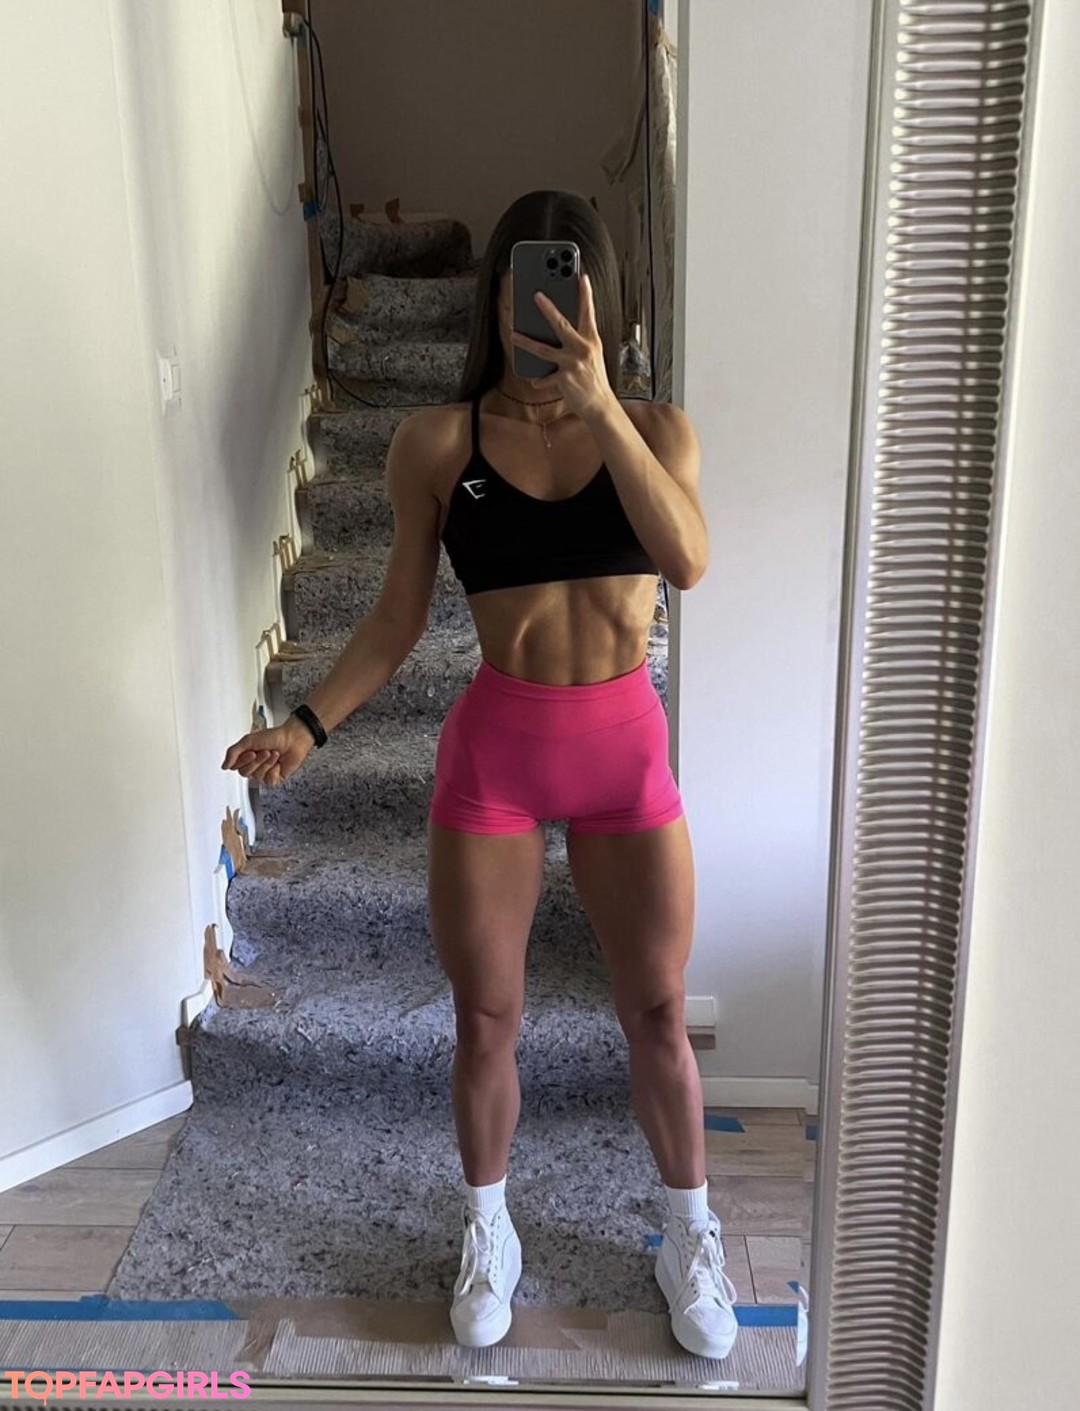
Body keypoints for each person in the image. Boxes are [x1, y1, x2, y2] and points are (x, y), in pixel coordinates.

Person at [221, 190, 737, 1360]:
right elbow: (395, 617)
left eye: (565, 291)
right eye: (524, 289)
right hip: (497, 756)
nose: (541, 314)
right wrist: (308, 724)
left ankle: (687, 1234)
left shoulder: (657, 431)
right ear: (497, 299)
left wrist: (598, 403)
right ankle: (488, 1226)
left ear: (599, 300)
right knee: (487, 1013)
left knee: (657, 1008)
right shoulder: (438, 444)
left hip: (624, 758)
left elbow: (690, 560)